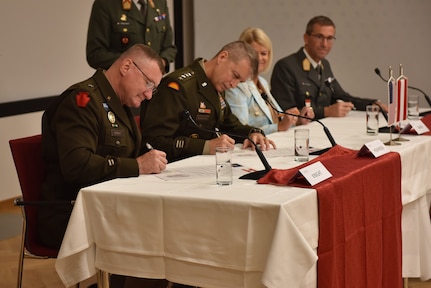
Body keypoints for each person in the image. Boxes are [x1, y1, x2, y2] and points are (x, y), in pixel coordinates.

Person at [39, 44, 167, 250]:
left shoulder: (119, 103)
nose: (149, 94)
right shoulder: (82, 100)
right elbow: (77, 165)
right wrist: (137, 166)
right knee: (158, 234)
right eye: (148, 83)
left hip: (110, 205)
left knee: (168, 223)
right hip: (72, 213)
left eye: (153, 88)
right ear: (126, 67)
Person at [140, 40, 275, 163]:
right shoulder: (178, 86)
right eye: (235, 76)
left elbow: (230, 125)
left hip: (201, 165)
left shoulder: (217, 84)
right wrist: (205, 146)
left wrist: (253, 132)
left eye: (240, 82)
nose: (234, 84)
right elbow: (154, 141)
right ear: (222, 57)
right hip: (171, 169)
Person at [271, 15, 384, 120]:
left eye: (329, 38)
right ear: (306, 38)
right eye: (319, 37)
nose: (324, 44)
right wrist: (326, 111)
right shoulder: (286, 67)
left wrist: (373, 104)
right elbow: (286, 112)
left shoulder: (324, 64)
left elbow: (341, 96)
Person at [225, 27, 314, 135]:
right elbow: (239, 130)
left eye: (263, 53)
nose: (259, 58)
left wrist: (298, 119)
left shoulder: (263, 82)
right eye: (253, 53)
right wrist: (279, 127)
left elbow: (277, 119)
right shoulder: (236, 86)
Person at [86, 0, 177, 73]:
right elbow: (95, 55)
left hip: (153, 88)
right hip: (120, 88)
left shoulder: (160, 3)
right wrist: (135, 64)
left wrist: (161, 62)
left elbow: (169, 48)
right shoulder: (105, 4)